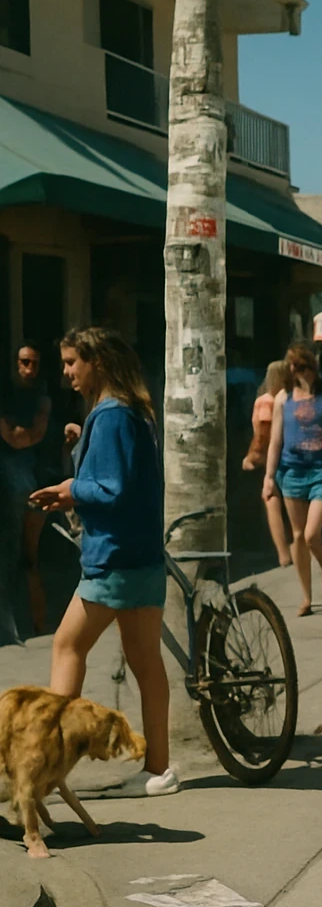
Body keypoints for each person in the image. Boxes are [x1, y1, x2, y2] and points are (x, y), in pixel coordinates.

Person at [29, 328, 178, 796]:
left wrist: (71, 488)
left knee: (67, 646)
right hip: (140, 555)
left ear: (98, 362)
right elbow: (119, 474)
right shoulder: (130, 411)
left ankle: (46, 767)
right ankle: (158, 767)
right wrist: (81, 446)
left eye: (73, 362)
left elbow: (111, 488)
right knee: (145, 662)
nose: (67, 373)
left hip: (113, 558)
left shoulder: (111, 415)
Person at [263, 342, 322, 617]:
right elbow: (275, 439)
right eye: (295, 367)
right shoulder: (283, 398)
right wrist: (268, 476)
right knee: (298, 536)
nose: (300, 372)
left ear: (313, 366)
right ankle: (306, 597)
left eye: (303, 367)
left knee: (312, 534)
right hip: (292, 472)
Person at [2, 341, 54, 633]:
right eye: (24, 362)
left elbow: (27, 436)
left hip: (34, 483)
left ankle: (37, 624)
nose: (29, 369)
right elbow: (15, 437)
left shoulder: (42, 396)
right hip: (13, 483)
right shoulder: (9, 396)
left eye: (33, 363)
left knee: (29, 557)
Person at [242, 360, 293, 568]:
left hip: (269, 458)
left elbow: (263, 433)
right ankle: (295, 545)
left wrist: (252, 456)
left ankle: (283, 553)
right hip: (290, 455)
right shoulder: (292, 399)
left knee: (271, 500)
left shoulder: (266, 401)